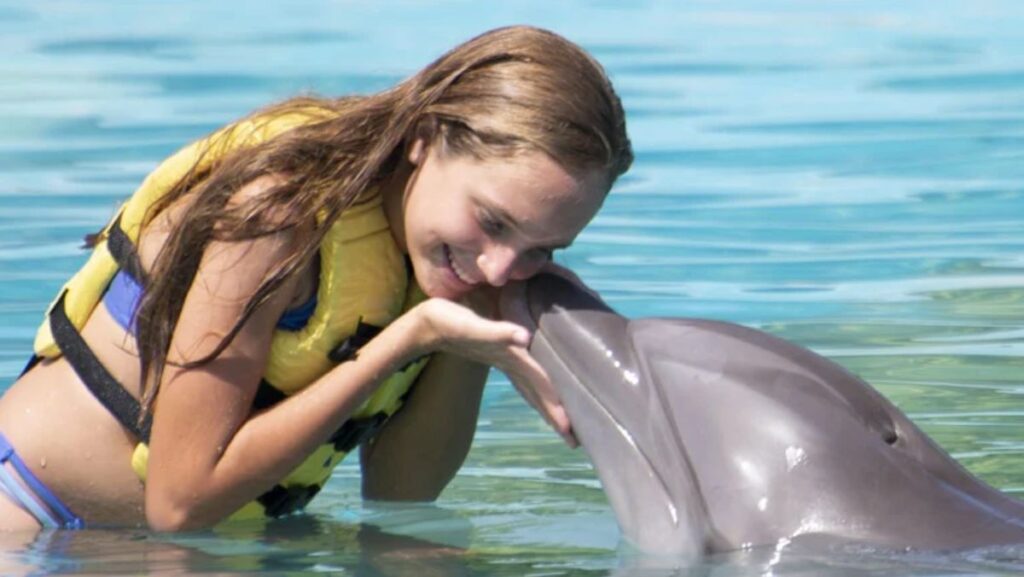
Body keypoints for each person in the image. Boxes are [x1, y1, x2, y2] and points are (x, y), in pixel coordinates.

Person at [0, 25, 632, 532]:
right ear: (424, 139)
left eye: (542, 248)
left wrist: (476, 338)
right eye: (492, 220)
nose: (500, 264)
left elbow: (404, 497)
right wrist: (403, 342)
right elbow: (178, 503)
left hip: (158, 552)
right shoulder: (277, 213)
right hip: (28, 520)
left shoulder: (448, 261)